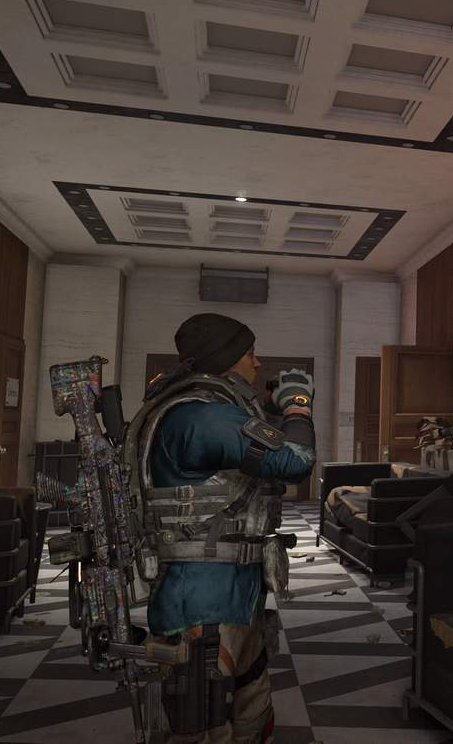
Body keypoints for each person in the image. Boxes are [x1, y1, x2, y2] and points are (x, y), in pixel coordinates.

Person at [135, 312, 315, 743]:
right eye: (251, 353)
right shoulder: (201, 416)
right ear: (228, 359)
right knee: (204, 721)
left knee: (249, 706)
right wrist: (298, 405)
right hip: (202, 597)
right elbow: (296, 461)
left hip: (231, 591)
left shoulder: (205, 412)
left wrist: (271, 409)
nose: (258, 362)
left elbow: (250, 445)